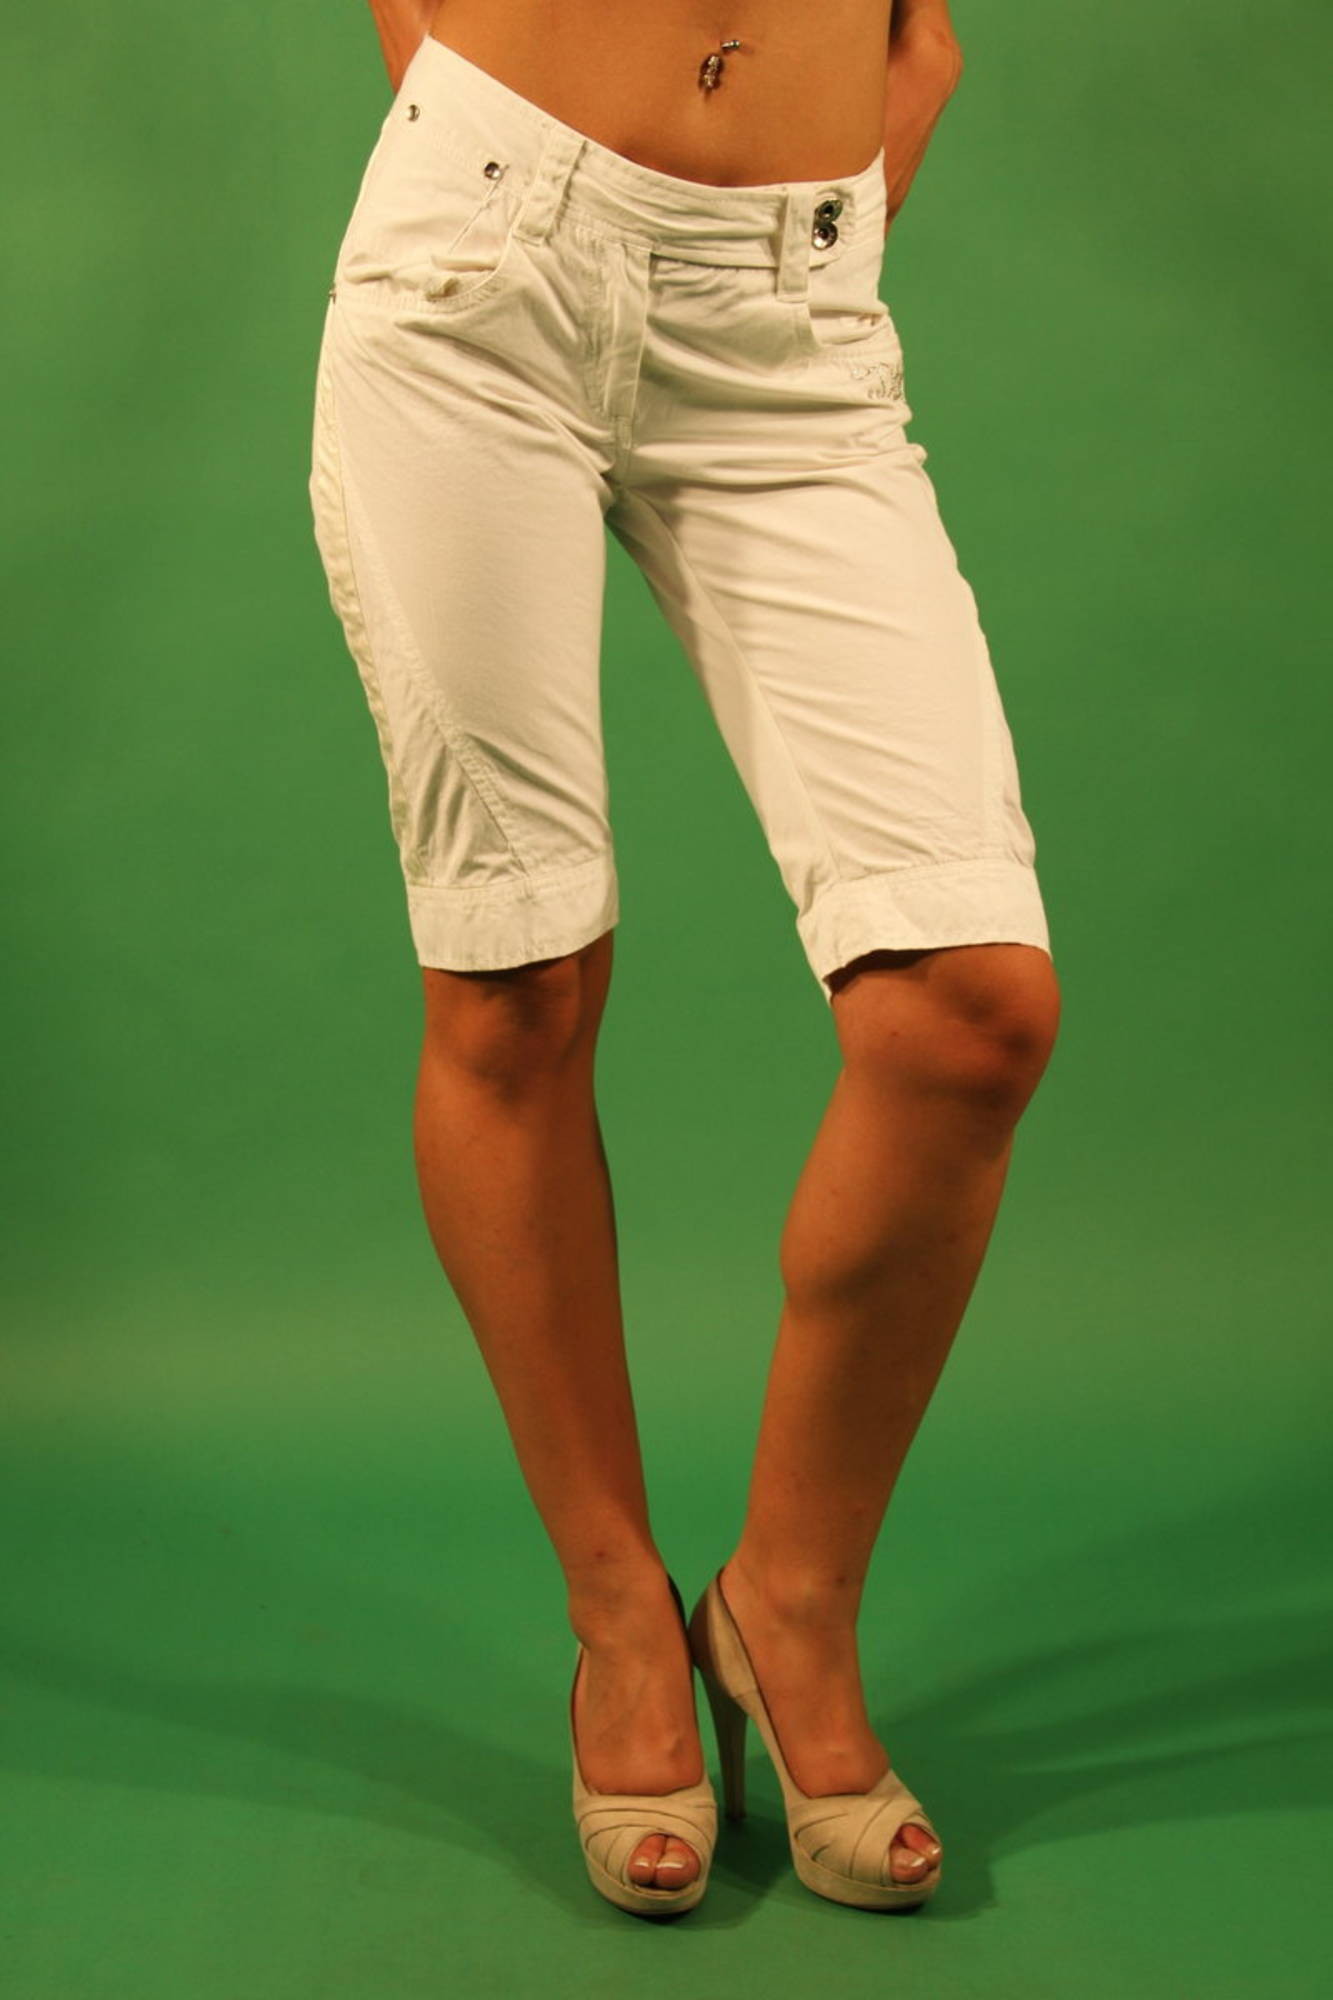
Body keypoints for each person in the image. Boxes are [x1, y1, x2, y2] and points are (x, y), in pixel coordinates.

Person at [308, 0, 1062, 1919]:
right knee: (516, 983)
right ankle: (618, 1619)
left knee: (969, 1010)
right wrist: (489, 139)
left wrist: (856, 155)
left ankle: (783, 1604)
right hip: (486, 259)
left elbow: (922, 35)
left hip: (788, 308)